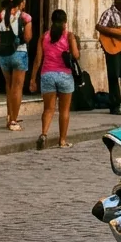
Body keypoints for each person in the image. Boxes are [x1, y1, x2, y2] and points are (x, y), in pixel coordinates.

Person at [30, 9, 79, 149]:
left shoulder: (44, 37)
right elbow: (76, 55)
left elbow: (38, 59)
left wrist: (32, 79)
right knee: (64, 110)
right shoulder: (69, 36)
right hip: (64, 76)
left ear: (51, 21)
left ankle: (44, 133)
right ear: (65, 22)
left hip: (47, 75)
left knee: (48, 109)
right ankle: (62, 141)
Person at [0, 0, 32, 131]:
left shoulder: (1, 15)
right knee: (17, 88)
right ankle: (13, 121)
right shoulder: (25, 17)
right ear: (22, 2)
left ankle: (9, 116)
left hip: (4, 55)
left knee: (9, 86)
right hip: (19, 53)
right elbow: (28, 37)